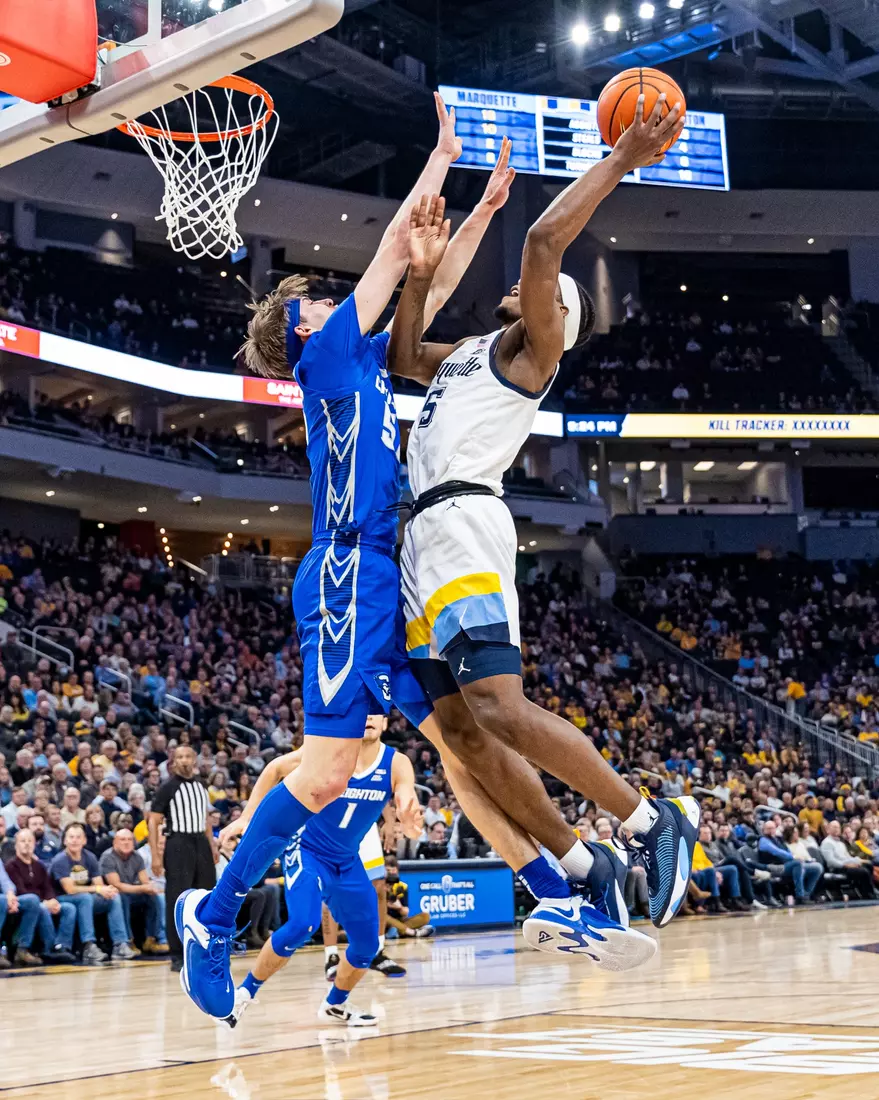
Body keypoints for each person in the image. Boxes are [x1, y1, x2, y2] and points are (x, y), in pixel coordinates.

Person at [177, 106, 651, 1022]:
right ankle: (215, 910)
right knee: (320, 773)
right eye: (317, 294)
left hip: (384, 575)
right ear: (301, 327)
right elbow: (400, 250)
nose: (334, 292)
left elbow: (421, 284)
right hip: (349, 571)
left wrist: (479, 212)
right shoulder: (323, 358)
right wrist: (440, 159)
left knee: (456, 740)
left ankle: (558, 896)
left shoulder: (355, 349)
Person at [388, 93, 699, 941]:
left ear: (553, 315)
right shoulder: (467, 357)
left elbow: (541, 240)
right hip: (420, 537)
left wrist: (620, 163)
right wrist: (418, 276)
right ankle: (579, 865)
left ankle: (648, 821)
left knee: (496, 705)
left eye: (545, 296)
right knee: (460, 728)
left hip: (463, 526)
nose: (528, 290)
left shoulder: (534, 350)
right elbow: (402, 355)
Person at [219, 714, 424, 1028]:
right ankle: (244, 992)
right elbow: (274, 768)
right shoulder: (331, 747)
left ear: (385, 722)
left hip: (346, 859)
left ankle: (335, 1004)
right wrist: (249, 816)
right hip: (308, 849)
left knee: (368, 945)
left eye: (375, 712)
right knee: (303, 923)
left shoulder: (396, 764)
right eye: (363, 710)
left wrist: (409, 818)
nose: (368, 717)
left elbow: (406, 794)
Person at [147, 744, 215, 972]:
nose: (184, 760)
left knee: (205, 896)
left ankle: (205, 947)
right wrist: (156, 856)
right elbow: (153, 821)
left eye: (188, 756)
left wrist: (212, 845)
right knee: (178, 899)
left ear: (194, 760)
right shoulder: (167, 788)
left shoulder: (201, 785)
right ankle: (177, 953)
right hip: (178, 844)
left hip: (201, 843)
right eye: (180, 757)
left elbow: (205, 818)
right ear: (174, 761)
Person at [50, 822, 136, 962]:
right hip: (60, 898)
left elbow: (99, 885)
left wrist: (106, 890)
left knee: (113, 897)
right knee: (85, 898)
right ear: (65, 840)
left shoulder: (89, 857)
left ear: (84, 840)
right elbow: (70, 889)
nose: (75, 840)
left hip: (84, 898)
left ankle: (120, 944)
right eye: (71, 837)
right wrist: (97, 889)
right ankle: (88, 946)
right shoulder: (60, 860)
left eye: (78, 837)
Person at [2, 829, 76, 966]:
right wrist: (44, 903)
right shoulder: (11, 866)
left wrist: (52, 899)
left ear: (35, 844)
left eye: (30, 841)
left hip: (43, 901)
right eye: (23, 841)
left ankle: (62, 946)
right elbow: (19, 890)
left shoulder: (39, 866)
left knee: (69, 908)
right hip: (26, 902)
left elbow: (47, 887)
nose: (26, 844)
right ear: (16, 845)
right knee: (39, 906)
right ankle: (50, 948)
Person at [99, 828, 168, 955]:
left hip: (132, 891)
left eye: (130, 839)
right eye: (122, 840)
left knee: (153, 897)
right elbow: (116, 885)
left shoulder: (137, 856)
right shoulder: (107, 857)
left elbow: (144, 881)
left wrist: (150, 887)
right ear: (115, 842)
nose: (126, 842)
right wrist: (143, 887)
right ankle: (128, 941)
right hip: (112, 894)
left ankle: (152, 939)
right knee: (122, 897)